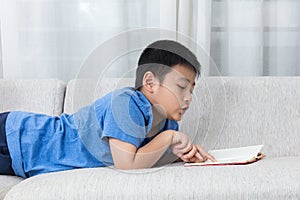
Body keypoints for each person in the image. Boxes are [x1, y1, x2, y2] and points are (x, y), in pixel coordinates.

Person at [0, 40, 215, 178]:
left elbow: (143, 158)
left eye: (191, 90)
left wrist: (180, 153)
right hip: (21, 137)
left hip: (22, 161)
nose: (188, 98)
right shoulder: (127, 102)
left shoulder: (167, 123)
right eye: (181, 87)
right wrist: (169, 139)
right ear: (150, 83)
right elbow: (126, 164)